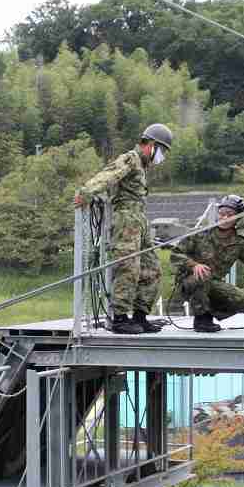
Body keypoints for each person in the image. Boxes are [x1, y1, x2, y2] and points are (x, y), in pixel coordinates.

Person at [74, 124, 174, 335]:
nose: (162, 156)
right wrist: (86, 193)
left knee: (152, 269)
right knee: (128, 267)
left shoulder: (143, 165)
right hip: (126, 220)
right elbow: (108, 175)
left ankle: (140, 316)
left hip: (139, 219)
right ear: (152, 145)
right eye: (162, 150)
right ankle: (119, 318)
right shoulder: (131, 159)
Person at [170, 194, 244, 333]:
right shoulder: (200, 233)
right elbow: (175, 254)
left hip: (214, 284)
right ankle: (202, 319)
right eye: (222, 213)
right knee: (203, 276)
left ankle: (210, 312)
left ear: (237, 218)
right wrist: (194, 265)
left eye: (230, 214)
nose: (224, 217)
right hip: (190, 282)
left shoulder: (239, 242)